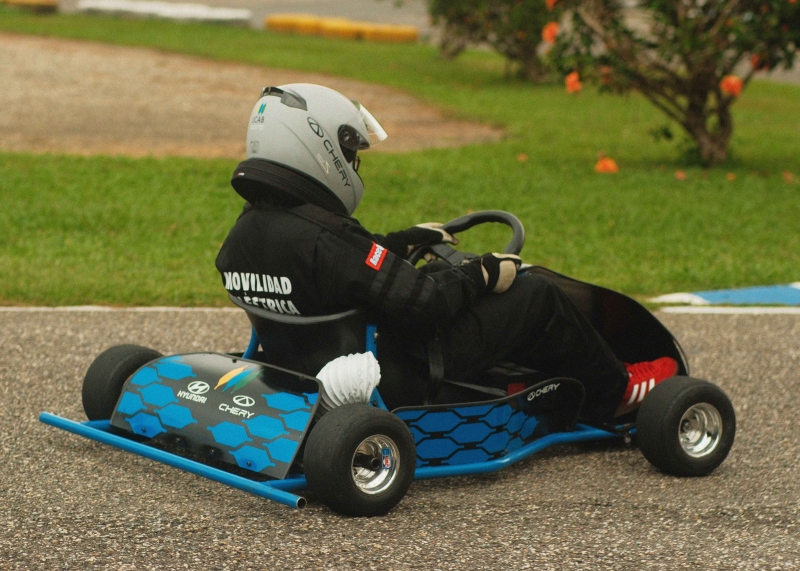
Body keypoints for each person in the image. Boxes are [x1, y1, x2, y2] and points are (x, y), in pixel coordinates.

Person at [215, 83, 676, 423]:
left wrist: (401, 242)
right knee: (535, 296)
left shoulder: (246, 233)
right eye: (350, 154)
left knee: (487, 303)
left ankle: (518, 386)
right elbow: (423, 302)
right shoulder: (325, 238)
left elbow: (346, 268)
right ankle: (617, 391)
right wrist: (481, 274)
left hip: (300, 370)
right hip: (394, 375)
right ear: (316, 149)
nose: (354, 165)